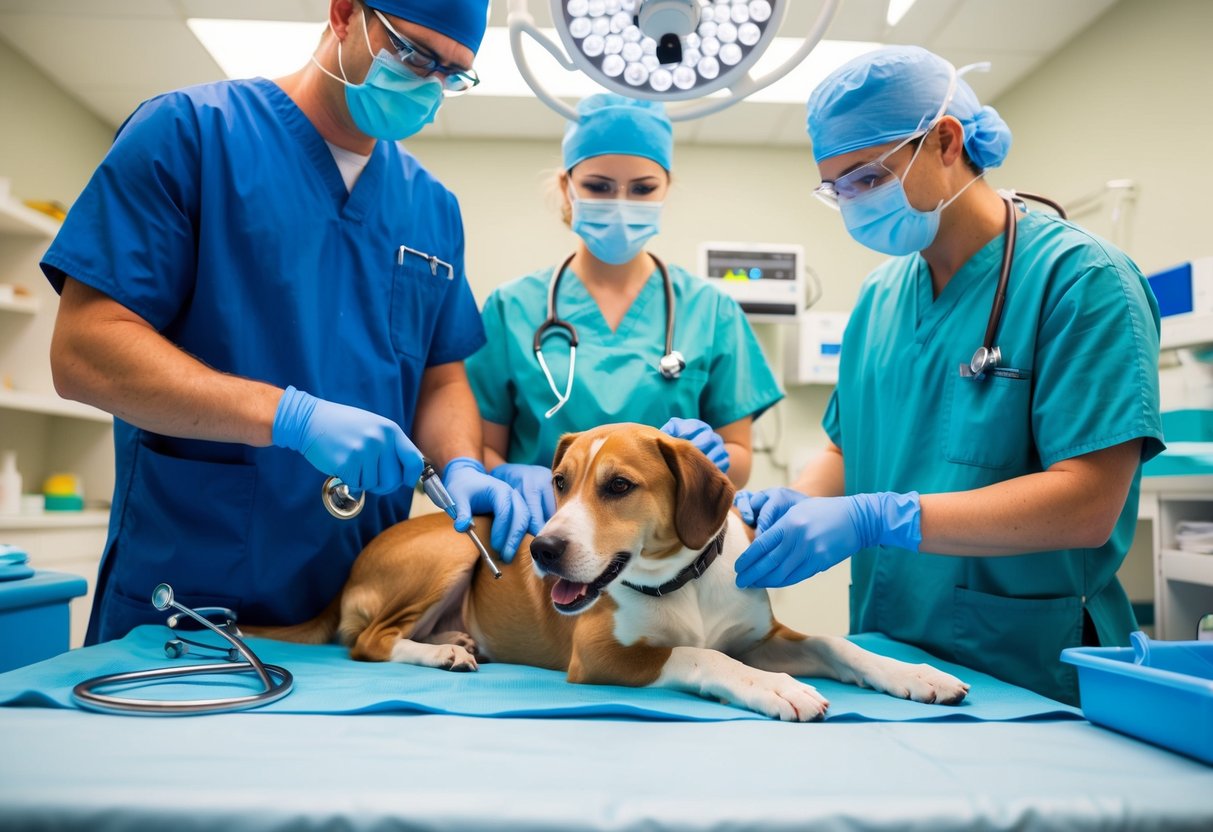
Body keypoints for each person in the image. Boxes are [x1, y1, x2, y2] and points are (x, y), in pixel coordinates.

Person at [40, 0, 529, 644]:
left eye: (451, 74)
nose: (428, 85)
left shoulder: (433, 208)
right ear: (345, 13)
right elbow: (84, 351)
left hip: (368, 618)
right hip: (193, 595)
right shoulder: (188, 134)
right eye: (412, 53)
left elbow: (442, 381)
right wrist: (290, 419)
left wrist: (463, 466)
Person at [732, 46, 1164, 705]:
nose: (851, 202)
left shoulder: (1082, 283)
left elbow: (1086, 505)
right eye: (836, 188)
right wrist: (790, 505)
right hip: (889, 656)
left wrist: (878, 517)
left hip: (1027, 665)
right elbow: (846, 451)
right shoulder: (878, 300)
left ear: (944, 141)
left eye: (866, 177)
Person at [466, 94, 783, 532]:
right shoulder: (511, 307)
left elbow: (739, 454)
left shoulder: (712, 312)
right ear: (566, 187)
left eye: (642, 188)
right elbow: (481, 448)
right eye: (598, 186)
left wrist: (712, 458)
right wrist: (511, 476)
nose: (620, 202)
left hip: (665, 550)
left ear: (666, 187)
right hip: (543, 534)